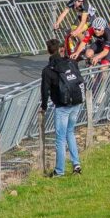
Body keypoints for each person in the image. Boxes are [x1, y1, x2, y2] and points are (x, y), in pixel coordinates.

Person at [40, 38, 85, 177]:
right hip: (76, 102)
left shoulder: (48, 70)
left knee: (60, 138)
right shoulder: (71, 63)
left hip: (62, 106)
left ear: (48, 51)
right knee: (70, 132)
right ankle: (76, 164)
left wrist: (44, 106)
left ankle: (59, 171)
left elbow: (45, 90)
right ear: (60, 49)